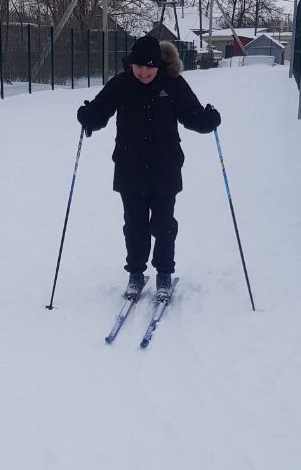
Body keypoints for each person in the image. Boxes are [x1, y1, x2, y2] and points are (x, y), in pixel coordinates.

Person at [76, 34, 221, 300]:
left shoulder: (174, 84)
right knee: (135, 225)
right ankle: (135, 273)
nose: (143, 72)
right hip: (129, 167)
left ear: (159, 66)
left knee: (163, 224)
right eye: (139, 66)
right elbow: (100, 109)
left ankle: (164, 274)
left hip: (165, 168)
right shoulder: (121, 84)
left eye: (149, 67)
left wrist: (207, 121)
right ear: (131, 64)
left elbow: (192, 114)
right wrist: (89, 117)